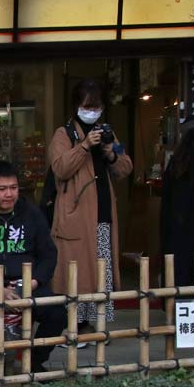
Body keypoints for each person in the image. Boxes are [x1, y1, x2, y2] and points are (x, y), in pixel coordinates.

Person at [0, 161, 65, 374]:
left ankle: (35, 361)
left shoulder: (32, 215)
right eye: (2, 189)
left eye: (13, 188)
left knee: (58, 313)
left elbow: (48, 255)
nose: (9, 194)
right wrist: (1, 289)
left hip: (29, 283)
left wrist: (33, 282)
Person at [48, 78, 133, 341]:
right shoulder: (64, 134)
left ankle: (98, 327)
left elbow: (125, 168)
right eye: (87, 106)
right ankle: (75, 327)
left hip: (103, 215)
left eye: (96, 106)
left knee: (101, 270)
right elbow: (60, 168)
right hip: (76, 217)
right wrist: (84, 146)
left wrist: (110, 153)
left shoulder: (108, 132)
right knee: (76, 274)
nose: (92, 111)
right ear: (76, 106)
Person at [160, 113, 194, 287]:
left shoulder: (177, 161)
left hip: (178, 231)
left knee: (181, 275)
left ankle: (176, 310)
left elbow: (166, 202)